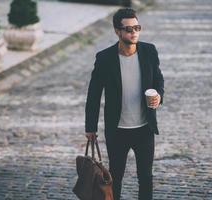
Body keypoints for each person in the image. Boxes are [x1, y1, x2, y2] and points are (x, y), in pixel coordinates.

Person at [85, 8, 164, 200]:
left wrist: (159, 97)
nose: (134, 32)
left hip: (144, 128)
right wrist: (91, 127)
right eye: (128, 29)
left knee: (145, 177)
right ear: (117, 31)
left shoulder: (149, 51)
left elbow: (158, 81)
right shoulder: (105, 58)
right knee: (115, 178)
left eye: (137, 27)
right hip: (117, 129)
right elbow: (94, 94)